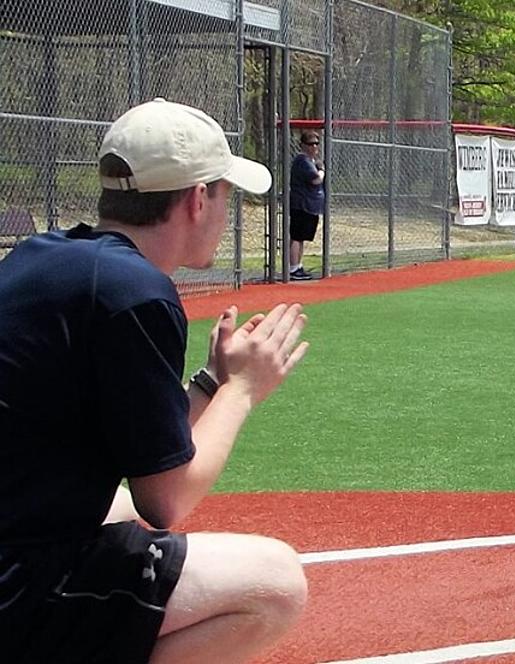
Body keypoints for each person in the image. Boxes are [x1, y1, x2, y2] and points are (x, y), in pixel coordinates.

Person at [0, 98, 310, 663]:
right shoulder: (134, 290)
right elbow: (166, 500)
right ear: (197, 199)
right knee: (276, 583)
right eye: (224, 194)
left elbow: (147, 454)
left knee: (113, 507)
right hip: (14, 584)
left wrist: (213, 381)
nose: (226, 210)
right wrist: (244, 388)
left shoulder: (47, 257)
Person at [289, 129, 325, 281]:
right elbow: (316, 179)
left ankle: (298, 266)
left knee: (302, 237)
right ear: (303, 145)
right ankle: (293, 269)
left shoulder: (310, 161)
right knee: (297, 237)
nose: (314, 147)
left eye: (316, 144)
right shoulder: (302, 160)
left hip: (310, 205)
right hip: (302, 204)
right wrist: (322, 170)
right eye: (310, 144)